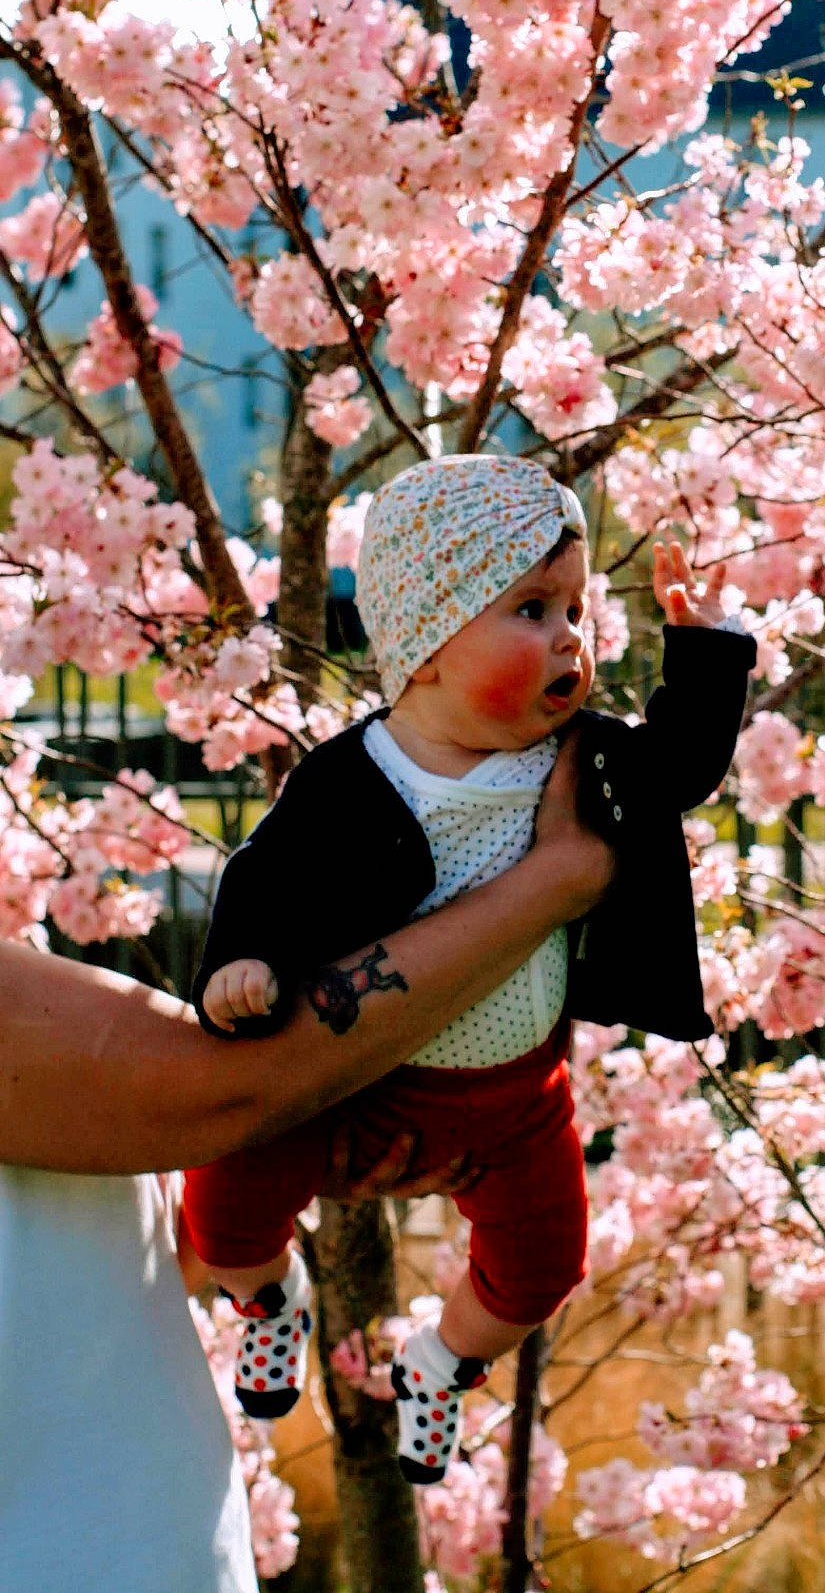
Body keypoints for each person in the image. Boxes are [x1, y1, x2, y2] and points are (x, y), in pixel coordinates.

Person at [181, 453, 756, 1483]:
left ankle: (441, 1363)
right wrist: (243, 960)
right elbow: (267, 872)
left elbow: (683, 770)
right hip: (356, 1079)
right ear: (427, 644)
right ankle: (267, 1292)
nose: (569, 634)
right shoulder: (360, 774)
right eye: (531, 607)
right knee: (222, 1208)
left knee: (545, 1266)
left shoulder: (584, 755)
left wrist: (706, 651)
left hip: (515, 1095)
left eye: (575, 606)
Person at [0, 728, 612, 1593]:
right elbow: (229, 1091)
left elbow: (124, 1254)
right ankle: (286, 1304)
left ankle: (345, 1325)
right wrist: (551, 884)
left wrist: (298, 1147)